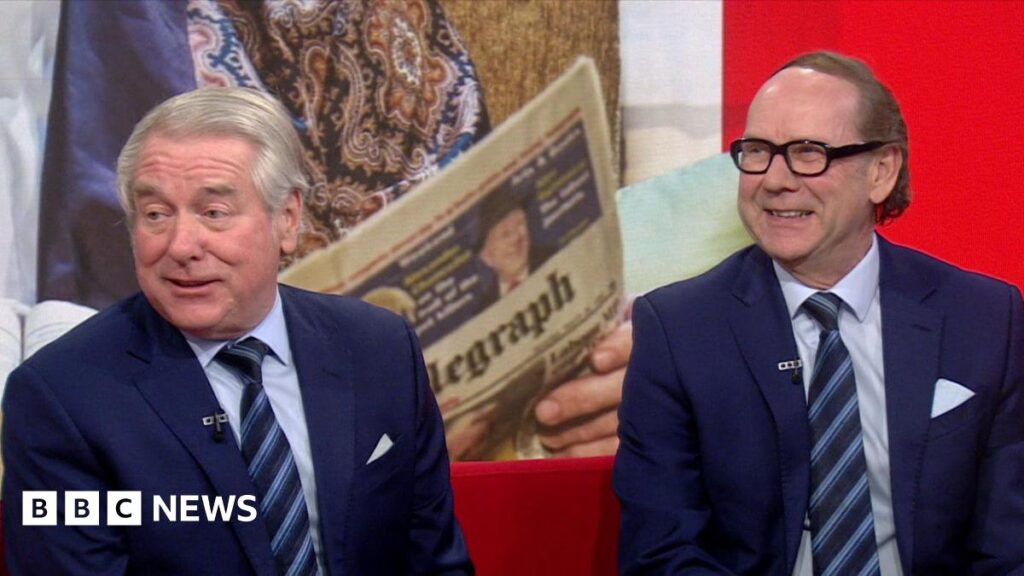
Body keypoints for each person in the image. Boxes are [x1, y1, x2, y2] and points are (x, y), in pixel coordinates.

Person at [2, 87, 472, 575]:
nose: (181, 245)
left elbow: (436, 561)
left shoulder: (378, 348)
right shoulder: (62, 396)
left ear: (287, 220)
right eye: (156, 214)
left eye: (214, 213)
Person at [614, 51, 1024, 575]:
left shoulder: (984, 318)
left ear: (881, 171)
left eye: (809, 153)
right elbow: (662, 555)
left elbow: (1009, 548)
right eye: (758, 151)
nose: (775, 179)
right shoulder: (679, 331)